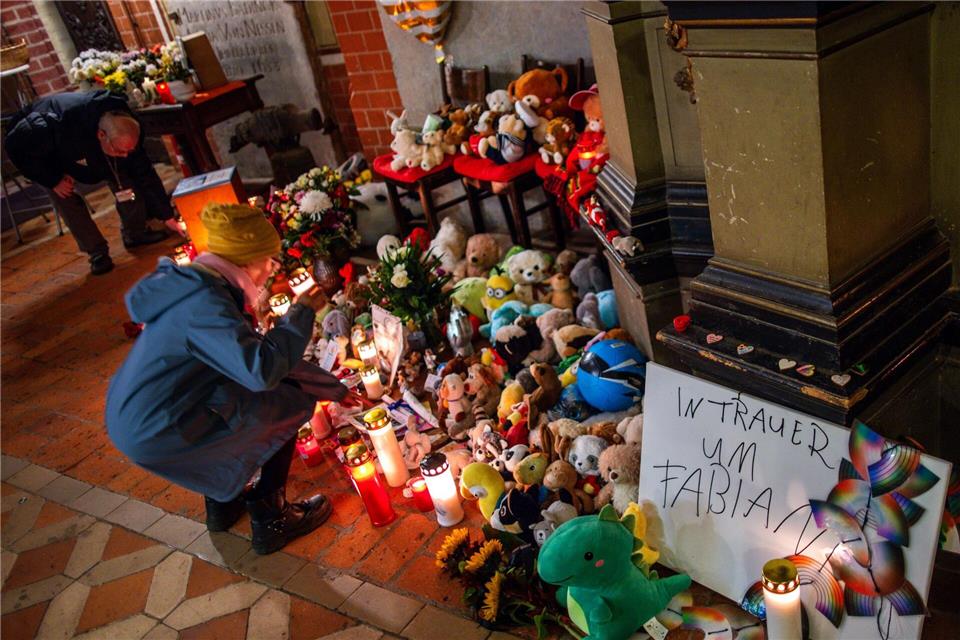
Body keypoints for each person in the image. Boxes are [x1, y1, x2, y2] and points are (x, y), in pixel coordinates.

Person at [106, 203, 349, 555]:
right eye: (269, 259)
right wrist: (300, 314)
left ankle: (224, 503)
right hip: (156, 423)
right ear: (246, 261)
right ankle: (272, 519)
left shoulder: (196, 285)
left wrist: (335, 388)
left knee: (248, 400)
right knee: (284, 404)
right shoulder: (204, 305)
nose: (273, 268)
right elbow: (263, 371)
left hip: (141, 412)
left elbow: (247, 361)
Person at [4, 90, 178, 275]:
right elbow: (15, 148)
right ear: (101, 135)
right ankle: (96, 252)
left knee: (125, 178)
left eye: (129, 150)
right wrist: (52, 179)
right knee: (65, 196)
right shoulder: (50, 125)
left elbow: (144, 173)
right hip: (51, 157)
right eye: (119, 150)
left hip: (88, 148)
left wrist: (167, 215)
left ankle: (135, 232)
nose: (125, 154)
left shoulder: (124, 127)